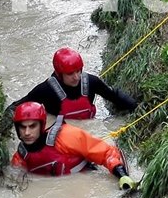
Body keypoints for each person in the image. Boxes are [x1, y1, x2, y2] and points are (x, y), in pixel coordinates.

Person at [11, 102, 134, 189]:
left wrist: (121, 175)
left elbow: (106, 153)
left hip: (86, 184)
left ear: (41, 125)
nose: (27, 133)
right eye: (22, 127)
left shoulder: (68, 136)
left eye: (32, 126)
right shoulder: (20, 157)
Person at [7, 47, 137, 120]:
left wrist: (135, 107)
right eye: (70, 74)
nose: (76, 77)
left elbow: (113, 96)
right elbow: (16, 107)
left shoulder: (92, 82)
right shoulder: (45, 90)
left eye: (78, 71)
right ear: (59, 74)